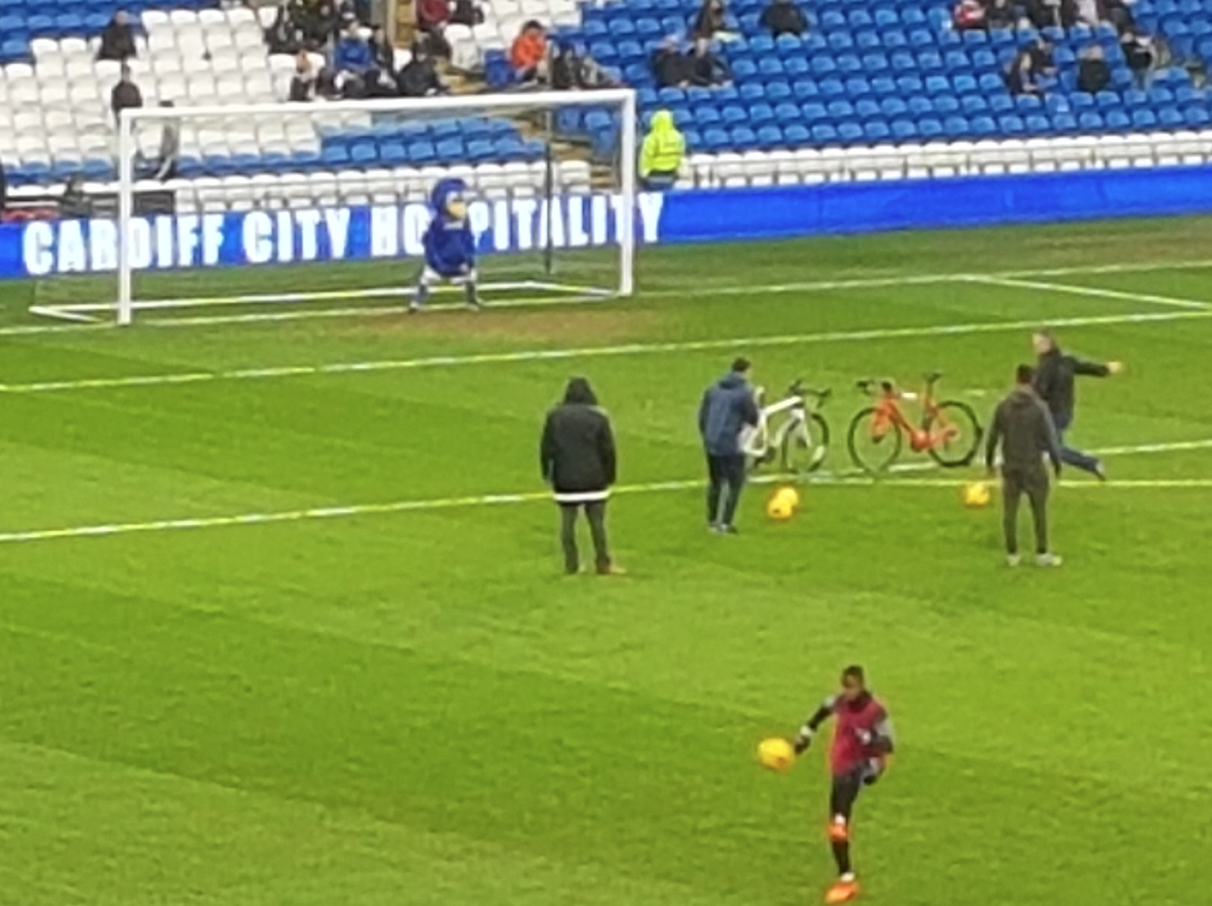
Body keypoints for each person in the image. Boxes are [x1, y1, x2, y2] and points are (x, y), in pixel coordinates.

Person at [792, 665, 895, 906]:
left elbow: (888, 744)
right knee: (835, 827)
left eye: (852, 688)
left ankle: (847, 880)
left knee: (838, 825)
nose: (848, 693)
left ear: (861, 685)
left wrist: (870, 742)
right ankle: (846, 878)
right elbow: (817, 716)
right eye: (845, 687)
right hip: (840, 766)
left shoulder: (875, 712)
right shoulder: (838, 702)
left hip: (860, 766)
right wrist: (803, 738)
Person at [540, 377, 621, 576]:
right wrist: (610, 475)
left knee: (567, 523)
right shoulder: (598, 417)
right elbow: (608, 450)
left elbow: (546, 448)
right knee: (597, 524)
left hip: (565, 478)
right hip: (594, 477)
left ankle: (571, 565)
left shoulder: (554, 417)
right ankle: (603, 563)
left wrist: (547, 473)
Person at [985, 364, 1064, 567]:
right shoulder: (1039, 408)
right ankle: (1042, 553)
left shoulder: (1003, 406)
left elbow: (993, 436)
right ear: (1032, 381)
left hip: (1011, 466)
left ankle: (1012, 554)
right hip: (1033, 466)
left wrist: (989, 462)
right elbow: (1050, 438)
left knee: (1010, 512)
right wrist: (1056, 463)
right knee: (1039, 510)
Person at [1032, 330, 1123, 480]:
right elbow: (1086, 368)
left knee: (1053, 448)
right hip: (1065, 412)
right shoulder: (1065, 360)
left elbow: (1040, 391)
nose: (1036, 347)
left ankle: (1091, 463)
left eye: (1039, 343)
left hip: (1051, 413)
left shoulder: (1045, 367)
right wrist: (1106, 369)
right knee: (1042, 444)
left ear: (1048, 344)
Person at [698, 357, 759, 534]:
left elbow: (703, 416)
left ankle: (711, 522)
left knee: (716, 482)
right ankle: (726, 523)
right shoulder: (743, 393)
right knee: (735, 482)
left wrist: (707, 436)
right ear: (746, 372)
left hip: (711, 443)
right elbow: (752, 418)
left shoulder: (713, 389)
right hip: (730, 444)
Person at [411, 178, 479, 312]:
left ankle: (471, 300)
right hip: (439, 265)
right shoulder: (437, 223)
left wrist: (468, 261)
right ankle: (417, 302)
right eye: (456, 202)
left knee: (472, 275)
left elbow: (468, 241)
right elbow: (430, 245)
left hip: (459, 265)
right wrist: (437, 262)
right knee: (426, 277)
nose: (460, 206)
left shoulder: (465, 221)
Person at [639, 109, 685, 190]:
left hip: (654, 175)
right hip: (672, 174)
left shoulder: (651, 138)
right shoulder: (678, 137)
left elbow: (645, 157)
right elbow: (681, 154)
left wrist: (643, 174)